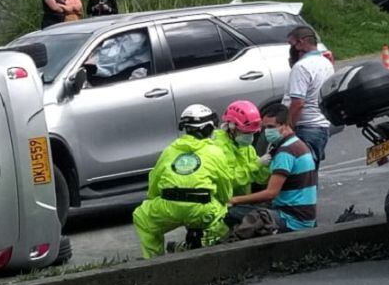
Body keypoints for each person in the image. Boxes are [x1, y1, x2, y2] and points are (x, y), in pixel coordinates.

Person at [132, 104, 231, 259]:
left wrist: (159, 202)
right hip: (203, 210)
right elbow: (225, 191)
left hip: (168, 207)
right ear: (208, 129)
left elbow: (154, 185)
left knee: (142, 217)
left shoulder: (169, 150)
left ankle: (153, 261)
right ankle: (207, 243)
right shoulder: (215, 152)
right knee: (225, 213)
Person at [227, 104, 317, 233]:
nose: (267, 132)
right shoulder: (297, 144)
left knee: (232, 213)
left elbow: (270, 193)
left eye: (271, 127)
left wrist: (234, 200)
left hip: (292, 219)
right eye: (265, 127)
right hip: (304, 215)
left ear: (285, 125)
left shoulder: (286, 152)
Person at [283, 27, 334, 167]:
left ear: (300, 43)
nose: (290, 49)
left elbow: (298, 103)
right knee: (309, 175)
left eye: (291, 44)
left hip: (306, 128)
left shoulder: (301, 67)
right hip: (320, 127)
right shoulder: (325, 62)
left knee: (301, 177)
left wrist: (288, 128)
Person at [210, 101, 267, 197]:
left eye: (253, 133)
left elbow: (260, 179)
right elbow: (228, 181)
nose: (250, 137)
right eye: (246, 133)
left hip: (241, 201)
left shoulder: (246, 147)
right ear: (232, 127)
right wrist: (255, 165)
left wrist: (266, 167)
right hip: (223, 205)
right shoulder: (217, 146)